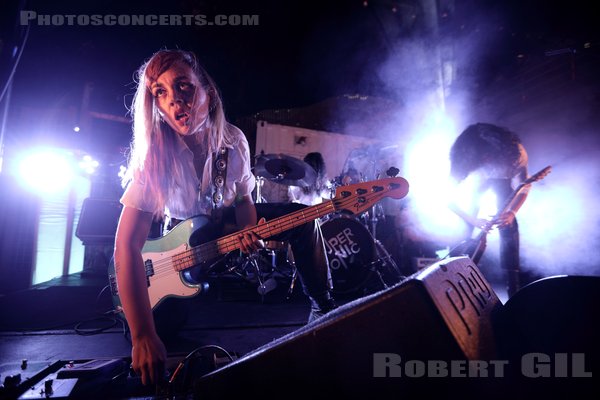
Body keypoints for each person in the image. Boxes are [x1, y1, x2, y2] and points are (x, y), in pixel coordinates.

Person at [113, 49, 336, 386]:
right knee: (157, 335)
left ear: (209, 92)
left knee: (302, 219)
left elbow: (246, 198)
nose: (175, 101)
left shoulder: (233, 140)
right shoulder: (154, 157)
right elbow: (126, 246)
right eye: (161, 92)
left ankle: (324, 306)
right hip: (180, 239)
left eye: (184, 87)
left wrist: (247, 229)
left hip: (225, 221)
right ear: (155, 105)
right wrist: (144, 334)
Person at [448, 122, 530, 298]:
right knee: (465, 234)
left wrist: (512, 212)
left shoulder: (517, 154)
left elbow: (524, 187)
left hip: (502, 184)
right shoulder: (464, 159)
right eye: (483, 159)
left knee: (508, 226)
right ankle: (455, 280)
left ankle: (513, 289)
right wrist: (473, 221)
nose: (487, 161)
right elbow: (448, 199)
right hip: (476, 184)